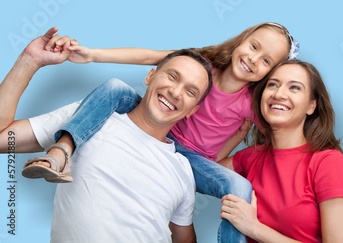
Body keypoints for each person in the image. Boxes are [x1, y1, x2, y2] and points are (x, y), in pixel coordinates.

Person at [23, 22, 299, 243]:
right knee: (116, 87)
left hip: (191, 160)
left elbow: (281, 133)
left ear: (268, 75)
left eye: (265, 61)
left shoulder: (251, 103)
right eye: (253, 47)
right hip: (156, 125)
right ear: (242, 39)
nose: (253, 59)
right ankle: (62, 152)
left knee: (240, 186)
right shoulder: (202, 63)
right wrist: (94, 54)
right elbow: (148, 56)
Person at [0, 27, 213, 242]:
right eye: (172, 76)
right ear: (151, 76)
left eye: (190, 91)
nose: (175, 93)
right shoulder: (88, 117)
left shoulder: (183, 169)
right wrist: (29, 60)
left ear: (192, 110)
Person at [218, 60, 343, 242]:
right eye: (272, 85)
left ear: (311, 106)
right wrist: (237, 136)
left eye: (294, 88)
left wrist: (254, 228)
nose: (279, 94)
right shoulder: (252, 156)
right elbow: (205, 171)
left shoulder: (328, 162)